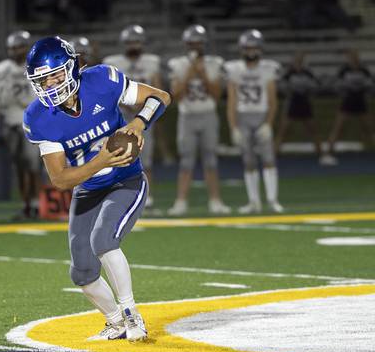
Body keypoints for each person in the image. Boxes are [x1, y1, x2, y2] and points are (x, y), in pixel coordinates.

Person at [23, 36, 171, 341]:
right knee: (82, 274)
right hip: (87, 189)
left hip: (125, 180)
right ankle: (115, 321)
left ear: (72, 67)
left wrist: (139, 123)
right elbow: (61, 180)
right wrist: (101, 159)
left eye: (55, 75)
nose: (50, 85)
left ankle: (132, 315)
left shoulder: (102, 80)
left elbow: (160, 97)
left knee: (103, 240)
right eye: (42, 80)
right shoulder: (37, 117)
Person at [167, 25, 231, 215]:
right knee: (186, 161)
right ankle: (180, 202)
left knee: (211, 160)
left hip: (208, 114)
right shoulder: (178, 64)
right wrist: (189, 73)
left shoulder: (214, 63)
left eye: (198, 43)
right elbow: (176, 95)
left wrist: (202, 74)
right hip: (187, 116)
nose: (195, 46)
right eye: (192, 43)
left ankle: (215, 201)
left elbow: (217, 94)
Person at [103, 25, 162, 208]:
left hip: (144, 117)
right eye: (130, 42)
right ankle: (117, 195)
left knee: (146, 157)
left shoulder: (152, 62)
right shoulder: (113, 63)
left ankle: (147, 196)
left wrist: (143, 109)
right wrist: (125, 104)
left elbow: (158, 90)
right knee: (116, 157)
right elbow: (108, 91)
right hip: (119, 117)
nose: (133, 45)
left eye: (136, 41)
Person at [225, 30, 283, 214]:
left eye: (254, 47)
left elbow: (273, 100)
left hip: (261, 115)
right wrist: (233, 127)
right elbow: (232, 102)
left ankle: (273, 200)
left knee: (268, 159)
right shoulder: (235, 70)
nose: (251, 51)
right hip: (243, 116)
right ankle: (254, 201)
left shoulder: (267, 69)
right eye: (248, 48)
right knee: (248, 161)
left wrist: (268, 123)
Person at [0, 30, 41, 219]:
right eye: (12, 48)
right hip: (12, 122)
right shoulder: (2, 69)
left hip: (33, 123)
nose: (16, 51)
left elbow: (42, 97)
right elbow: (0, 101)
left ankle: (37, 204)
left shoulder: (37, 66)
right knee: (19, 168)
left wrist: (24, 100)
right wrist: (8, 94)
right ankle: (25, 205)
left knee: (34, 166)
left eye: (19, 47)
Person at [275, 52, 335, 165]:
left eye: (300, 60)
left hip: (305, 103)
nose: (298, 62)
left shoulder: (307, 73)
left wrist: (307, 90)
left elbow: (316, 86)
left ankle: (321, 154)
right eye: (297, 60)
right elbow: (281, 86)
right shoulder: (289, 74)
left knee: (313, 130)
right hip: (293, 103)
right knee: (284, 130)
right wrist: (289, 91)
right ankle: (274, 154)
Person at [327, 49, 375, 157]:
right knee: (338, 127)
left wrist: (366, 93)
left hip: (361, 101)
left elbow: (371, 85)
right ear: (348, 58)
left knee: (369, 128)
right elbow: (336, 85)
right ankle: (329, 152)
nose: (354, 58)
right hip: (347, 101)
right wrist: (342, 93)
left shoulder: (364, 70)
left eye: (355, 56)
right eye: (351, 57)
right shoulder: (344, 70)